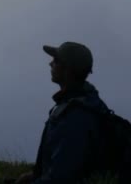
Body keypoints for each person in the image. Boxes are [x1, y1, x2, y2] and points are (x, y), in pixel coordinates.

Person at [15, 41, 110, 184]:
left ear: (68, 69)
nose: (50, 64)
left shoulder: (76, 116)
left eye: (55, 60)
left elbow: (61, 178)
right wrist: (33, 176)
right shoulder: (85, 104)